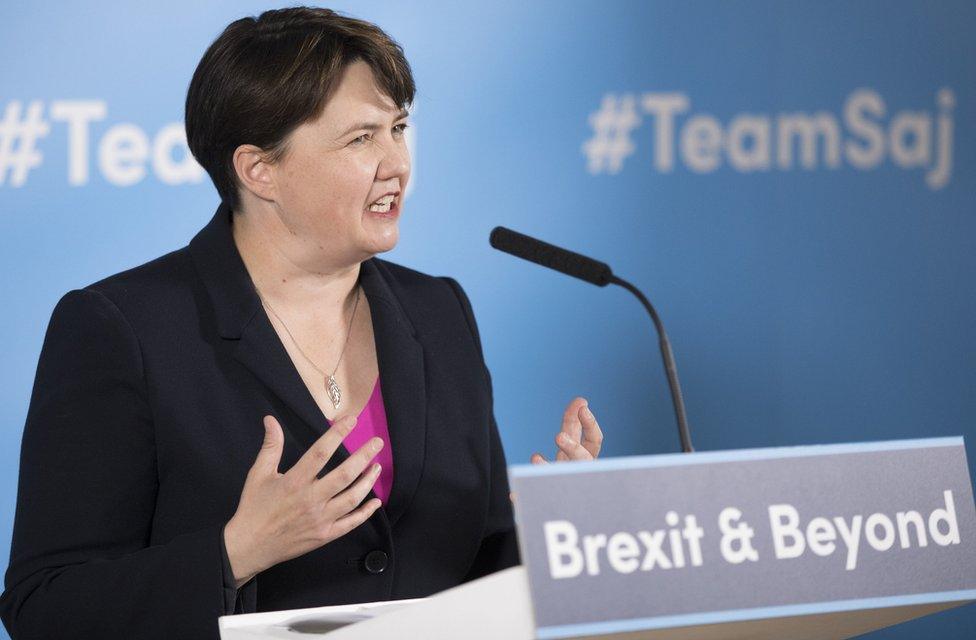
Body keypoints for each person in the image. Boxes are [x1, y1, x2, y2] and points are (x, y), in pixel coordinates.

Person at [0, 7, 603, 640]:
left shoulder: (439, 311)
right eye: (361, 139)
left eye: (398, 129)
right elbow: (45, 607)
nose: (397, 163)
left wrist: (551, 537)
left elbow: (468, 571)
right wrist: (237, 551)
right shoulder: (122, 328)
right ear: (260, 170)